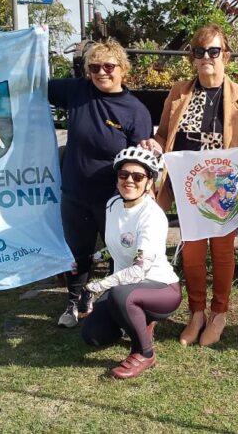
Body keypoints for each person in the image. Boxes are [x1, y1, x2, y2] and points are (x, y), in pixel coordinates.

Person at [140, 24, 238, 347]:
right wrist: (156, 144)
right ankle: (196, 313)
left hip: (224, 190)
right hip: (188, 188)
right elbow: (164, 134)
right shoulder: (179, 91)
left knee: (222, 250)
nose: (206, 57)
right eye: (199, 52)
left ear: (226, 56)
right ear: (192, 58)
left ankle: (219, 313)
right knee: (191, 253)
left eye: (213, 51)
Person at [48, 40, 153, 328]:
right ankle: (74, 302)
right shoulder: (77, 92)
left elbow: (139, 163)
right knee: (77, 254)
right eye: (94, 67)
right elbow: (35, 83)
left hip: (114, 199)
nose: (101, 72)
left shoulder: (135, 111)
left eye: (109, 66)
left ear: (123, 69)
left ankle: (112, 303)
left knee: (118, 253)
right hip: (75, 193)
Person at [81, 146, 181, 379]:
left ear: (149, 183)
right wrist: (94, 258)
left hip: (161, 288)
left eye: (138, 176)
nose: (129, 181)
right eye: (123, 175)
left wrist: (99, 286)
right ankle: (140, 321)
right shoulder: (113, 205)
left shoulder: (152, 216)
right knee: (94, 336)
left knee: (120, 295)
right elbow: (118, 245)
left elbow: (140, 270)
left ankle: (144, 353)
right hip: (125, 288)